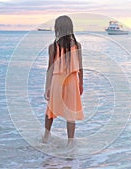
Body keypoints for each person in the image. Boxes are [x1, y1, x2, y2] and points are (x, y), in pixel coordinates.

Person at [43, 15, 84, 146]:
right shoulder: (77, 45)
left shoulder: (53, 47)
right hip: (72, 80)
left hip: (57, 80)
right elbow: (81, 67)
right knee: (71, 112)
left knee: (50, 110)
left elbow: (50, 68)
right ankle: (70, 142)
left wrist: (47, 87)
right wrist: (81, 83)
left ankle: (45, 137)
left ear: (58, 29)